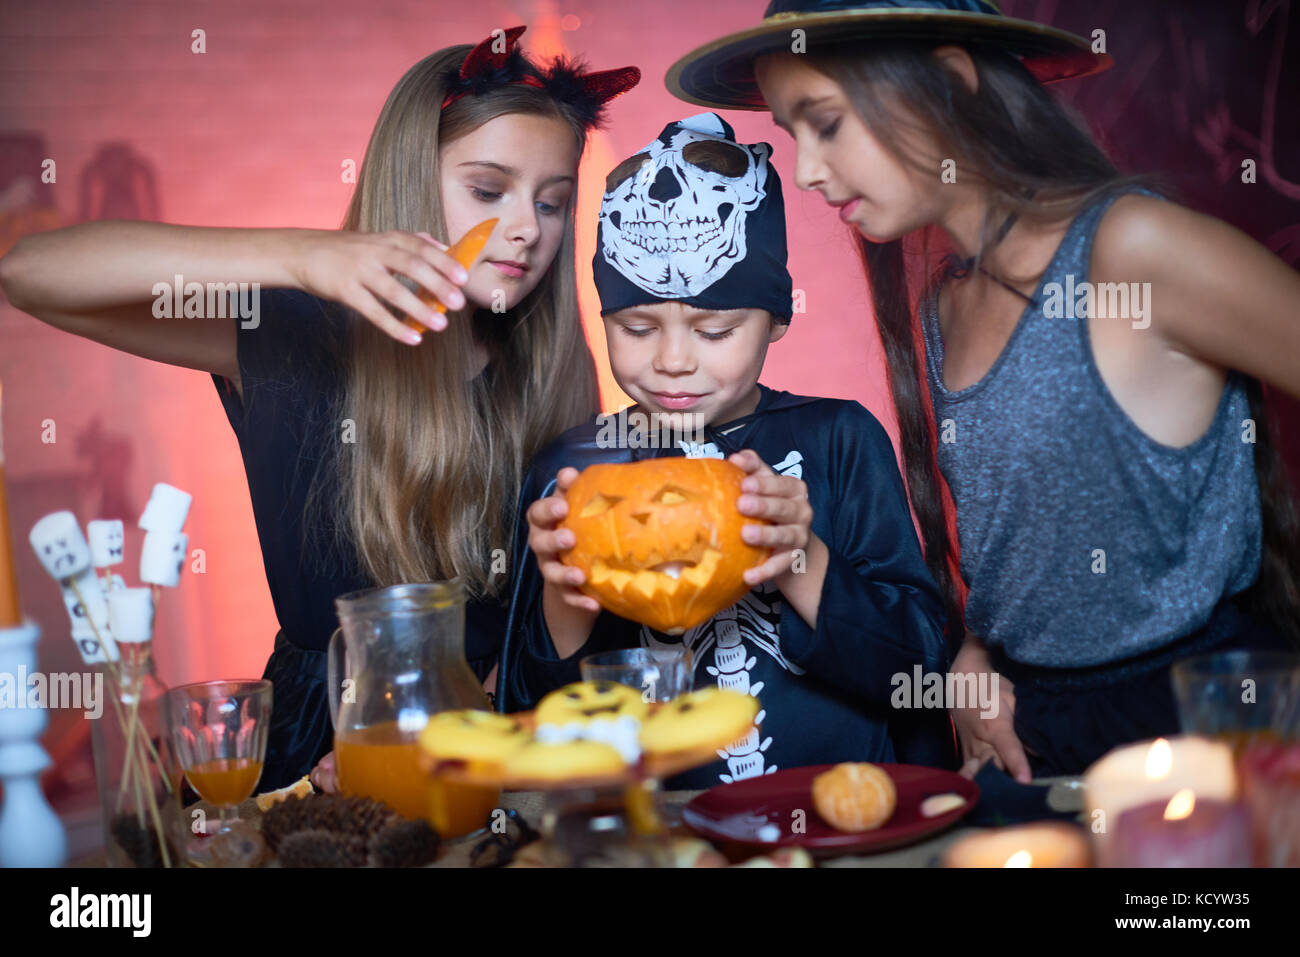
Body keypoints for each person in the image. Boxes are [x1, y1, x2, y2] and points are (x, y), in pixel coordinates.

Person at [665, 0, 1300, 779]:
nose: (805, 170)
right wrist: (978, 647)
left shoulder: (1129, 249)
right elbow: (1033, 546)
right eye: (793, 134)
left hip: (1204, 729)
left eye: (825, 123)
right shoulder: (943, 309)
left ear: (950, 81)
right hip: (1040, 746)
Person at [0, 26, 639, 791]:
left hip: (497, 745)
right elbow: (32, 272)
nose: (527, 227)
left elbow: (555, 622)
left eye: (552, 201)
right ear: (409, 176)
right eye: (487, 189)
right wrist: (303, 256)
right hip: (315, 751)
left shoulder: (550, 375)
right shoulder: (295, 337)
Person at [500, 113, 953, 786]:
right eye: (637, 325)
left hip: (844, 828)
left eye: (715, 329)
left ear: (776, 319)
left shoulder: (837, 440)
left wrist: (799, 557)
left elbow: (920, 672)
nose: (673, 360)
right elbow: (529, 723)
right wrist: (566, 601)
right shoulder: (572, 472)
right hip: (660, 838)